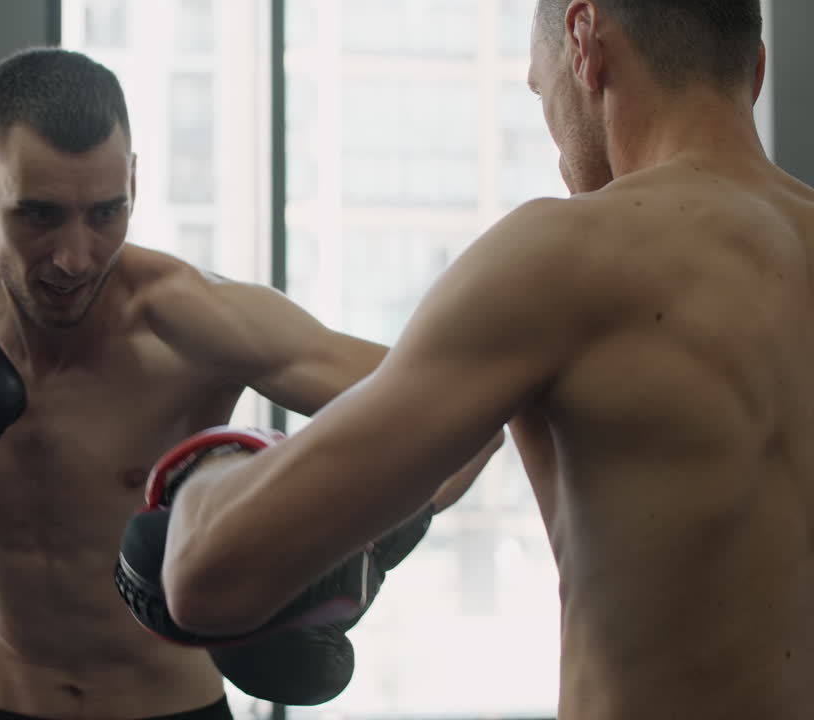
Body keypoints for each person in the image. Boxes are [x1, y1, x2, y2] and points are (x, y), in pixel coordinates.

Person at [137, 1, 814, 717]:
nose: (552, 139)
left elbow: (204, 574)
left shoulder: (564, 259)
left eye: (537, 88)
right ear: (756, 74)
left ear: (583, 43)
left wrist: (214, 472)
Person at [0, 48, 501, 719]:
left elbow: (471, 406)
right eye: (40, 214)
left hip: (177, 710)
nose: (74, 257)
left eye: (105, 212)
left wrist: (361, 547)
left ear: (134, 186)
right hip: (2, 705)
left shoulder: (199, 323)